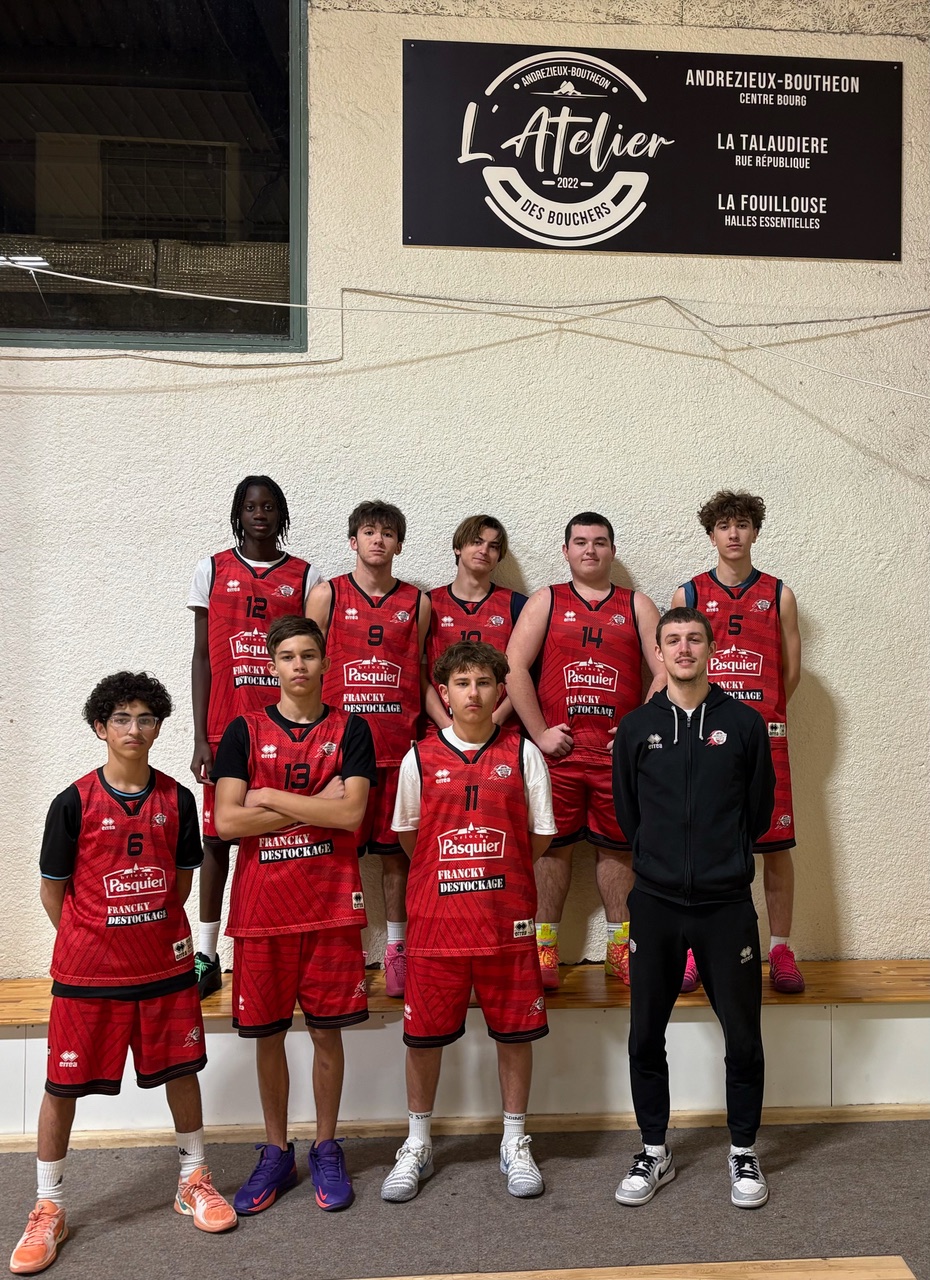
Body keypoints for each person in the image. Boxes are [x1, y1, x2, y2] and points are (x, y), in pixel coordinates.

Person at [11, 673, 237, 1276]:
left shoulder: (178, 801)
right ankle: (49, 1205)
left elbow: (180, 885)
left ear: (158, 728)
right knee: (62, 1087)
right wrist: (94, 940)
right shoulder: (72, 802)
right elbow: (53, 893)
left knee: (182, 1072)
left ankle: (193, 1178)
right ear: (100, 728)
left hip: (163, 966)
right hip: (89, 975)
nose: (134, 729)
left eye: (145, 719)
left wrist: (141, 931)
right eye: (121, 719)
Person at [212, 615, 376, 1215]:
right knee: (268, 1037)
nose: (299, 665)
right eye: (287, 656)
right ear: (272, 665)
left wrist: (271, 797)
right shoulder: (243, 730)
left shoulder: (351, 728)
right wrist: (315, 804)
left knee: (328, 1034)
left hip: (331, 906)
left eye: (309, 655)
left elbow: (351, 815)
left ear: (326, 663)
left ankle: (327, 1147)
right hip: (262, 910)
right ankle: (277, 1150)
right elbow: (227, 822)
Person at [612, 608, 775, 1211]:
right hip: (655, 904)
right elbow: (628, 814)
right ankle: (654, 1150)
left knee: (744, 1037)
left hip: (725, 905)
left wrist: (720, 858)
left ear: (711, 647)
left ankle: (744, 1151)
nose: (683, 649)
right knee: (643, 1035)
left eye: (694, 639)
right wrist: (660, 861)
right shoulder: (636, 727)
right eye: (672, 640)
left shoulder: (745, 723)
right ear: (658, 652)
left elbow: (758, 813)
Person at [382, 641, 555, 1203]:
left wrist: (494, 872)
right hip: (437, 924)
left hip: (507, 922)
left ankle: (514, 1140)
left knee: (515, 1033)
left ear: (500, 690)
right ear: (445, 693)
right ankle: (417, 1142)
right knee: (422, 1038)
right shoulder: (418, 758)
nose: (473, 693)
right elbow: (410, 836)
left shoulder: (524, 753)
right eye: (462, 683)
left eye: (483, 682)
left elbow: (539, 837)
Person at [506, 512, 662, 989]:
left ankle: (620, 950)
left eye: (599, 542)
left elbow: (664, 671)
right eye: (580, 542)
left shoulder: (637, 604)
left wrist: (636, 729)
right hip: (559, 757)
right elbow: (512, 666)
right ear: (566, 551)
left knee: (618, 851)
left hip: (616, 759)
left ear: (612, 550)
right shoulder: (547, 600)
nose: (589, 550)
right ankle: (543, 951)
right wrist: (538, 732)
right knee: (551, 851)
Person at [188, 475, 321, 998]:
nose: (259, 514)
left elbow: (313, 658)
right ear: (238, 514)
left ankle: (287, 945)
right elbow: (202, 657)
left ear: (281, 514)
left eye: (268, 506)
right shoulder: (212, 568)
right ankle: (206, 953)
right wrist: (200, 737)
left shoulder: (305, 576)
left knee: (286, 835)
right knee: (216, 839)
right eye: (250, 506)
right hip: (225, 728)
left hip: (283, 728)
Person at [671, 490, 803, 995]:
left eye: (742, 524)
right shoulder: (689, 593)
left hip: (765, 738)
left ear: (755, 532)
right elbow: (679, 665)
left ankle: (781, 950)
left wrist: (756, 717)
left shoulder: (779, 594)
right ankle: (694, 949)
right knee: (702, 841)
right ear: (711, 535)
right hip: (705, 738)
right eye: (724, 526)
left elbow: (790, 673)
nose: (733, 533)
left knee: (775, 846)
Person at [306, 501, 430, 998]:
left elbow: (419, 671)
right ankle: (341, 950)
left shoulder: (417, 603)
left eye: (388, 533)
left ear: (399, 544)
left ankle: (397, 949)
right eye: (369, 531)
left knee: (397, 856)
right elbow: (305, 668)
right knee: (337, 854)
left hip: (398, 749)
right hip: (340, 750)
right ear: (353, 541)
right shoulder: (327, 594)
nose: (378, 540)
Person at [424, 515, 526, 732]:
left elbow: (525, 674)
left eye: (493, 546)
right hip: (441, 728)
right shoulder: (428, 604)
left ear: (499, 556)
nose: (484, 550)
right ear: (458, 547)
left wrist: (495, 720)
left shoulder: (518, 605)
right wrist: (446, 725)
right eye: (477, 542)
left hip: (501, 727)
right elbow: (418, 673)